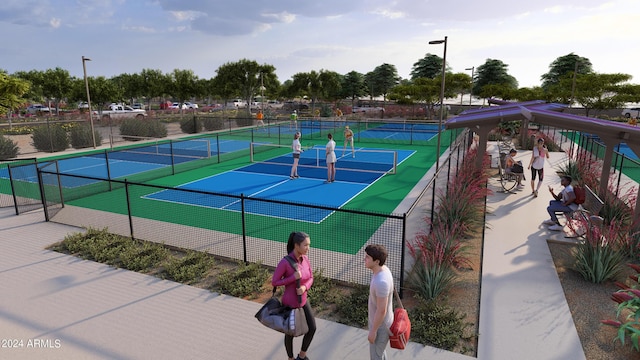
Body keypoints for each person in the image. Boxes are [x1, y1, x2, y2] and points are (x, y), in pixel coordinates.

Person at [272, 232, 316, 360]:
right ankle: (290, 358)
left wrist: (304, 287)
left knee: (312, 328)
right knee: (290, 333)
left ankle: (302, 356)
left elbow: (311, 277)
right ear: (296, 245)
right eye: (306, 245)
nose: (308, 248)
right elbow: (275, 282)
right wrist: (292, 278)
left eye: (309, 245)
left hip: (303, 300)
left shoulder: (305, 259)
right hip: (290, 303)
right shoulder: (285, 262)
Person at [365, 244, 394, 360]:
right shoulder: (383, 270)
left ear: (376, 261)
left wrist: (373, 331)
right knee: (380, 353)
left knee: (376, 356)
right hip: (380, 323)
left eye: (367, 257)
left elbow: (382, 310)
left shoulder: (381, 282)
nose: (364, 259)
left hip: (380, 327)